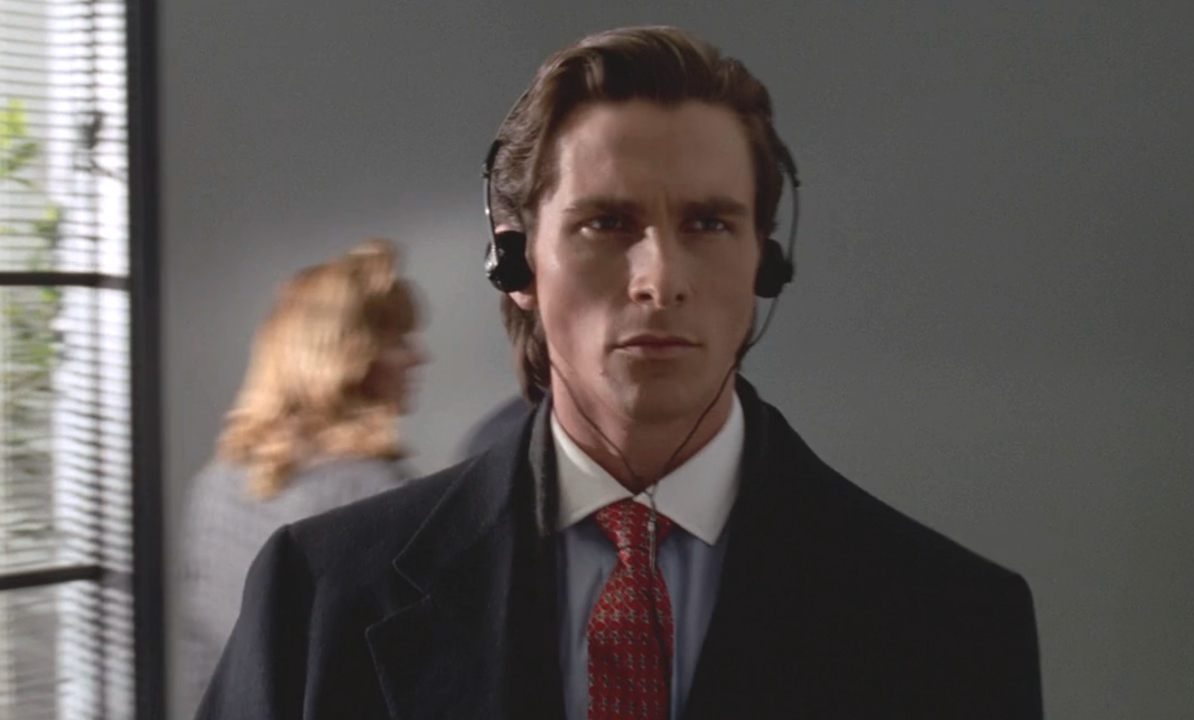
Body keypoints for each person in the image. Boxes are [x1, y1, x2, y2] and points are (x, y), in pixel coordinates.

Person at [195, 27, 1042, 719]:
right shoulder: (322, 592)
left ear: (765, 262)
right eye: (607, 223)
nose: (659, 279)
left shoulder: (951, 621)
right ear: (516, 264)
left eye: (709, 224)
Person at [178, 238, 428, 719]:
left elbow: (204, 666)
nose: (419, 357)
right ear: (348, 356)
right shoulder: (382, 497)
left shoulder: (215, 483)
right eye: (398, 340)